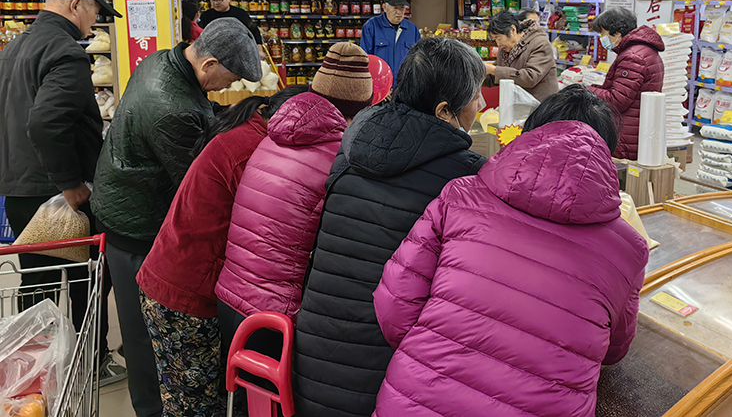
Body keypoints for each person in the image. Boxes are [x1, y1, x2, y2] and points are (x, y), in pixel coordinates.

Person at [372, 86, 648, 417]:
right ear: (606, 153)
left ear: (532, 131)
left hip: (416, 399)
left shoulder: (461, 196)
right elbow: (614, 350)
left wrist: (432, 349)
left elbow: (394, 305)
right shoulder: (628, 249)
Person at [292, 37, 487, 417]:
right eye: (476, 95)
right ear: (444, 111)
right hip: (384, 378)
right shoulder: (462, 178)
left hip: (312, 358)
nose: (481, 103)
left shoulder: (352, 143)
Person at [91, 17, 262, 417]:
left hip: (125, 201)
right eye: (231, 77)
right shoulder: (173, 110)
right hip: (137, 225)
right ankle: (151, 409)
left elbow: (201, 115)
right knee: (146, 336)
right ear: (209, 64)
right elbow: (198, 184)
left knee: (142, 329)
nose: (230, 86)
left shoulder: (163, 60)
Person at [216, 43, 375, 412]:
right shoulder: (338, 156)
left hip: (232, 298)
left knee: (251, 406)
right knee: (275, 407)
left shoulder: (275, 135)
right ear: (361, 108)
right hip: (275, 315)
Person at [137, 84, 307, 417]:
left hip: (171, 277)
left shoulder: (246, 131)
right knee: (194, 407)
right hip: (185, 292)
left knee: (191, 400)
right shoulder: (254, 152)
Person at [0, 0, 125, 384]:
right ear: (75, 5)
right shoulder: (65, 51)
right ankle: (91, 365)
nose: (94, 22)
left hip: (20, 190)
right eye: (95, 12)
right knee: (87, 281)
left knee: (37, 287)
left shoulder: (14, 47)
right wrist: (70, 183)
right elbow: (47, 123)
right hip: (57, 195)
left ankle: (33, 375)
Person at [588, 7, 665, 160]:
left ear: (617, 33)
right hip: (637, 128)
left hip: (626, 133)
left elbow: (618, 100)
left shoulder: (632, 57)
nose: (601, 38)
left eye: (602, 33)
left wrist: (588, 90)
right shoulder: (644, 50)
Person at [483, 10, 558, 101]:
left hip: (541, 104)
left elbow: (530, 77)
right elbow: (495, 77)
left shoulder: (540, 43)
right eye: (495, 39)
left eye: (499, 38)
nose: (498, 43)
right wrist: (476, 74)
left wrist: (494, 70)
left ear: (512, 30)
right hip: (518, 104)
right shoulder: (505, 49)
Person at [360, 0, 420, 84]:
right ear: (385, 7)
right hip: (379, 86)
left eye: (402, 8)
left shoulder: (412, 29)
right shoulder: (371, 26)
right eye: (395, 8)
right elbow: (365, 60)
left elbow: (418, 60)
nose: (399, 12)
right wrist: (377, 85)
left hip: (404, 87)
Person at [199, 0, 263, 55]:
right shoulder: (206, 15)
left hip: (238, 52)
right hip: (212, 53)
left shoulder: (240, 14)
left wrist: (259, 49)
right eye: (213, 0)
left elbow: (254, 31)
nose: (216, 3)